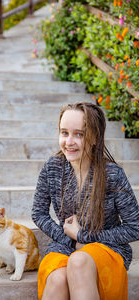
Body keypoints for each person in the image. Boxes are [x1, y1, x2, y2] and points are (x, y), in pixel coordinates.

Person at [32, 102, 139, 300]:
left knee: (79, 262)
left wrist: (84, 236)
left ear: (95, 138)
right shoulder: (52, 167)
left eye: (79, 134)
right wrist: (72, 241)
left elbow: (135, 227)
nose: (69, 141)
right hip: (64, 245)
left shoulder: (112, 174)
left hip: (106, 247)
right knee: (58, 279)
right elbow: (38, 213)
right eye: (64, 133)